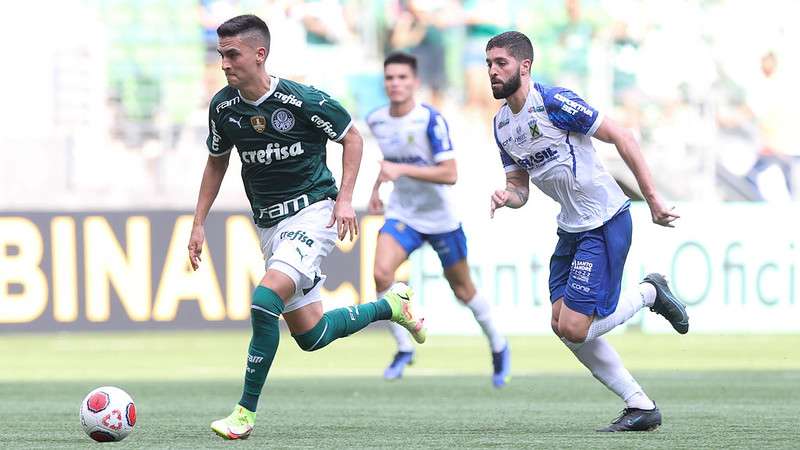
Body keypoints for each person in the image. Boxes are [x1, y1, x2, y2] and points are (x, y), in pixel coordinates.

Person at [189, 15, 426, 440]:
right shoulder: (223, 108)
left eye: (232, 54)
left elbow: (352, 137)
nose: (224, 63)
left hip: (314, 212)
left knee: (265, 299)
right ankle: (392, 306)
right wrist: (198, 222)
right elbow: (216, 161)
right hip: (269, 224)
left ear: (259, 55)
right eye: (220, 54)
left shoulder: (302, 101)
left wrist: (346, 198)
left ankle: (244, 413)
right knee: (311, 334)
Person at [485, 31, 689, 432]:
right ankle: (639, 405)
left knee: (575, 327)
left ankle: (650, 292)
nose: (492, 71)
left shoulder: (555, 103)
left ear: (524, 66)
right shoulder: (502, 126)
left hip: (605, 220)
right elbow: (521, 188)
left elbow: (623, 137)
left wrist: (652, 200)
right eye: (489, 64)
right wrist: (507, 197)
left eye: (501, 63)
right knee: (561, 324)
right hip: (571, 228)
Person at [366, 52, 511, 386]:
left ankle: (499, 345)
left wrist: (400, 170)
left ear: (415, 82)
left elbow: (449, 173)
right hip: (404, 213)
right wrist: (376, 189)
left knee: (463, 290)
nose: (396, 84)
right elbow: (390, 162)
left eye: (402, 77)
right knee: (381, 273)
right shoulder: (376, 119)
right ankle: (404, 348)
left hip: (441, 218)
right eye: (390, 78)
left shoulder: (430, 120)